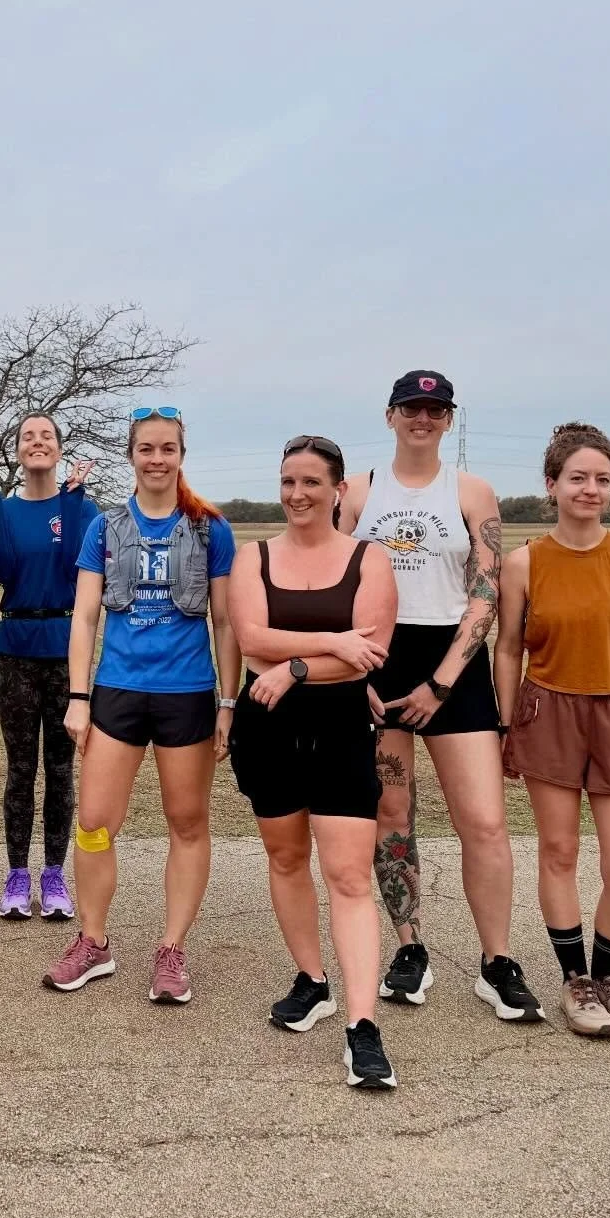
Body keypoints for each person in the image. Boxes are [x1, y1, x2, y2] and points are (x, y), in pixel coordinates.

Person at [342, 370, 543, 1022]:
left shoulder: (473, 491)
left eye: (434, 409)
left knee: (483, 821)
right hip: (376, 658)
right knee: (392, 814)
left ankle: (496, 960)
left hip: (452, 664)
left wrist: (441, 681)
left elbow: (485, 592)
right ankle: (410, 949)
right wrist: (362, 675)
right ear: (390, 414)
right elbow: (337, 586)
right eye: (411, 407)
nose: (421, 418)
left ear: (449, 419)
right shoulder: (359, 492)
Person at [42, 406, 238, 1007]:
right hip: (118, 693)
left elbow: (227, 622)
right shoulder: (104, 528)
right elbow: (84, 616)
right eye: (146, 448)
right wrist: (78, 697)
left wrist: (227, 703)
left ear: (182, 455)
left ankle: (172, 949)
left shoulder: (210, 529)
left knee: (186, 822)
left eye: (168, 448)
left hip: (187, 695)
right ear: (131, 455)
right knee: (95, 821)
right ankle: (94, 940)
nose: (157, 458)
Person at [230, 435, 401, 1088]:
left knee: (350, 874)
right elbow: (251, 637)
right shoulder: (257, 558)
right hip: (267, 725)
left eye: (310, 482)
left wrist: (296, 665)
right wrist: (332, 639)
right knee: (285, 856)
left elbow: (374, 652)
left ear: (338, 491)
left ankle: (363, 1025)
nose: (297, 494)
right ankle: (313, 978)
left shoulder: (369, 560)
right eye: (287, 481)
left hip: (339, 724)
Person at [495, 424, 610, 1038]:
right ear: (552, 484)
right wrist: (507, 722)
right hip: (550, 713)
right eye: (578, 478)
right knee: (560, 852)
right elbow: (508, 648)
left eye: (602, 479)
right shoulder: (524, 562)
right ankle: (578, 984)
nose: (590, 489)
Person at [0, 414, 99, 921]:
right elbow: (3, 568)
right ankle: (18, 874)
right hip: (16, 648)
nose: (37, 442)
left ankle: (54, 875)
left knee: (61, 768)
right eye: (28, 437)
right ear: (19, 450)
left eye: (47, 436)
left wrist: (70, 501)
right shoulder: (3, 508)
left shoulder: (81, 510)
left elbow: (73, 571)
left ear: (59, 449)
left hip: (67, 650)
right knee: (21, 768)